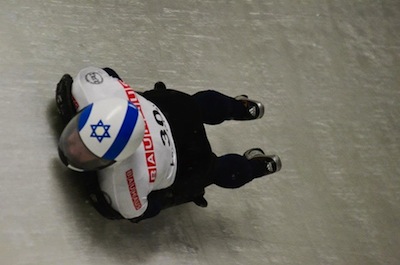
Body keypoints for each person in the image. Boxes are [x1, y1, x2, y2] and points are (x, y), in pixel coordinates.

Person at [55, 66, 282, 222]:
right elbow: (108, 73)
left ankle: (253, 167)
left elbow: (143, 210)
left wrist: (173, 196)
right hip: (169, 109)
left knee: (211, 171)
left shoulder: (122, 185)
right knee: (191, 105)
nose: (73, 150)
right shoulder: (88, 88)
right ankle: (237, 108)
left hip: (186, 160)